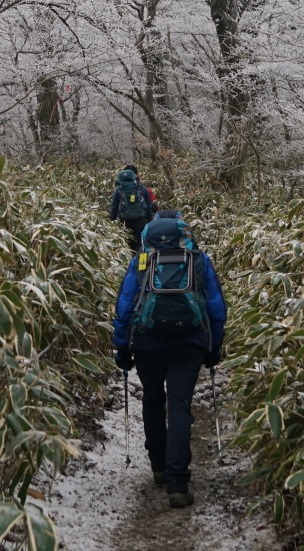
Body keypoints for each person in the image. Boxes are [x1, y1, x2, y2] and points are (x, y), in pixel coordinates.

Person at [112, 211, 226, 508]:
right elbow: (215, 306)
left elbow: (125, 305)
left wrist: (122, 347)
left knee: (152, 400)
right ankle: (177, 482)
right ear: (184, 234)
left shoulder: (141, 261)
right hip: (188, 342)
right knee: (179, 406)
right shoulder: (198, 259)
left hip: (148, 342)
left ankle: (159, 468)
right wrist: (214, 346)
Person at [108, 165, 157, 251]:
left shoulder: (119, 190)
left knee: (127, 245)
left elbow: (114, 207)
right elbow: (149, 207)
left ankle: (129, 263)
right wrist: (149, 222)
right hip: (141, 220)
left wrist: (113, 222)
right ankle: (139, 262)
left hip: (125, 221)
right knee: (140, 244)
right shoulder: (142, 188)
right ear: (136, 175)